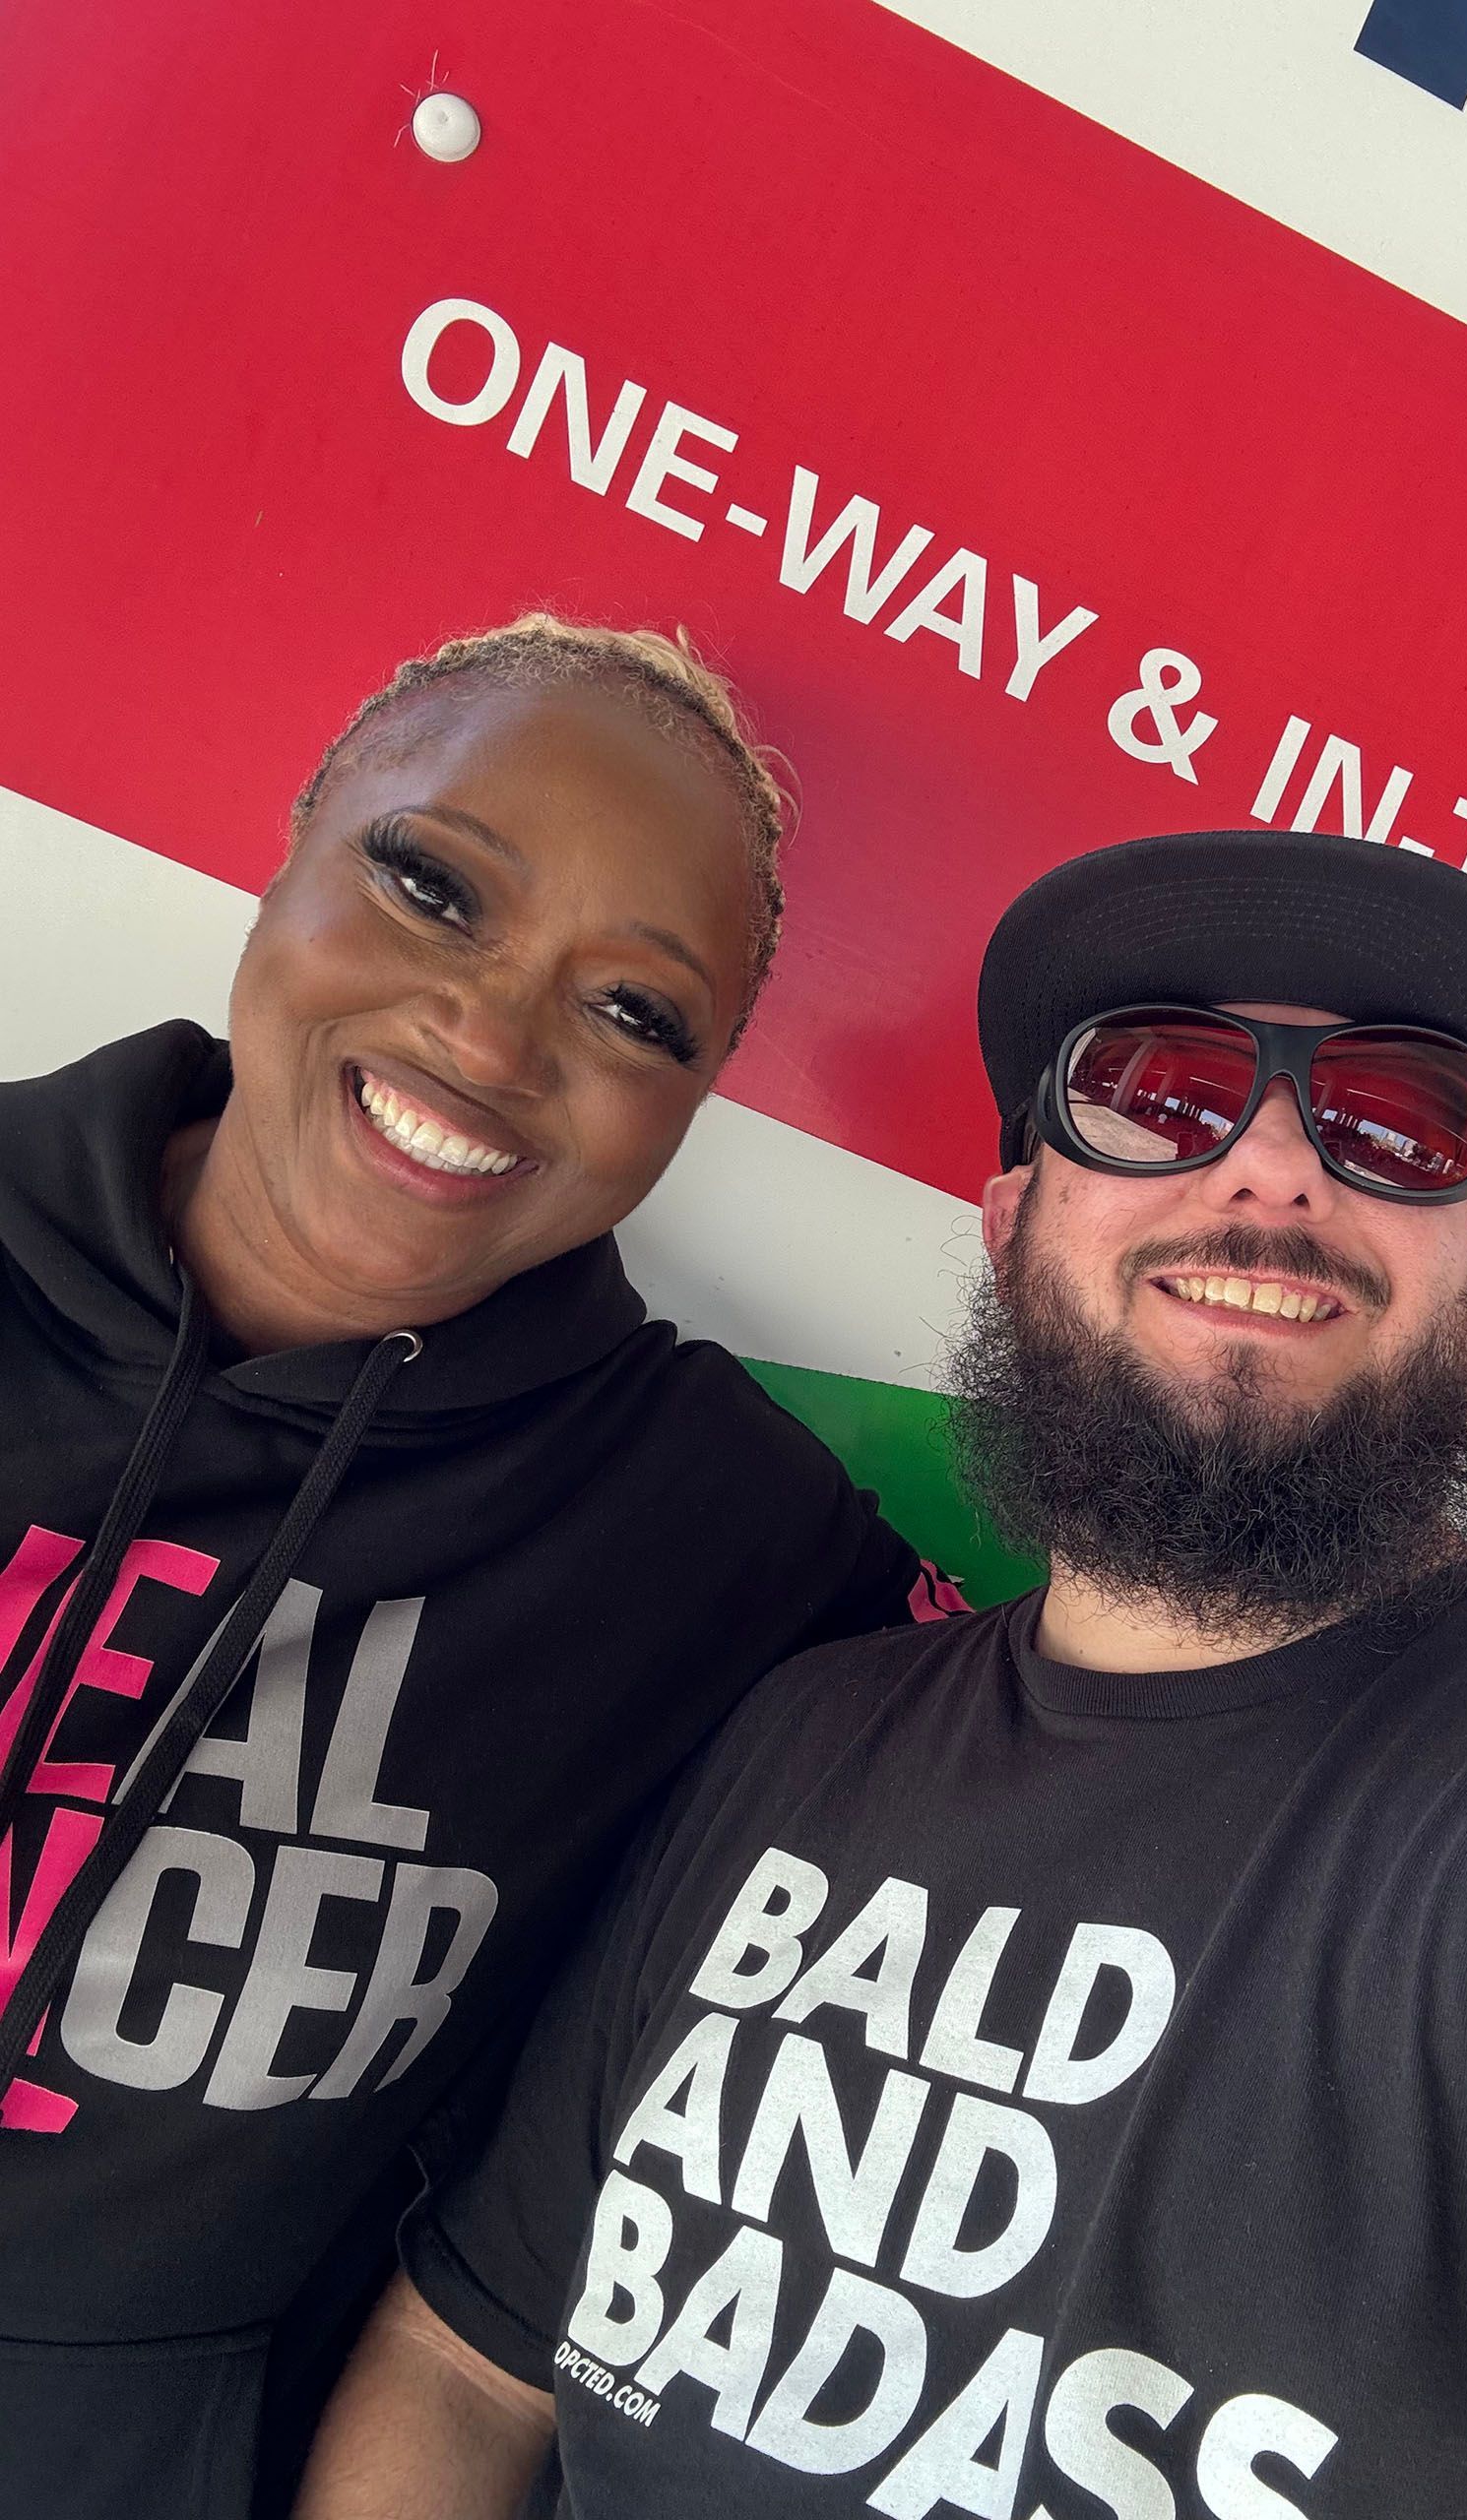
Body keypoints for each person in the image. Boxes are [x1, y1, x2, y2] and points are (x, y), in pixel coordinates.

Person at [298, 831, 1467, 2520]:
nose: (1276, 1171)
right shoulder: (800, 1733)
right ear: (1010, 1224)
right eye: (1158, 1091)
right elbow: (467, 2368)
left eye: (1394, 1122)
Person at [0, 614, 941, 2520]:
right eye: (432, 886)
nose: (490, 1039)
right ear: (295, 835)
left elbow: (1126, 1732)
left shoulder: (714, 1537)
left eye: (634, 1012)